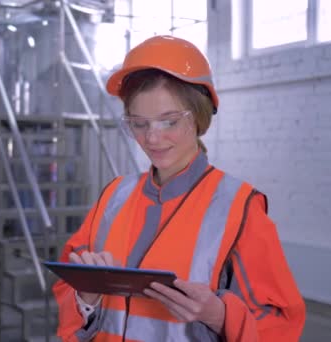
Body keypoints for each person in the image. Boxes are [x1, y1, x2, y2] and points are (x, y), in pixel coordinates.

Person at [52, 35, 306, 341]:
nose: (152, 138)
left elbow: (279, 321)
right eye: (139, 123)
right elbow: (70, 282)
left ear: (199, 115)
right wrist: (86, 299)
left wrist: (220, 314)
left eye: (169, 121)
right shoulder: (114, 196)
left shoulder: (238, 206)